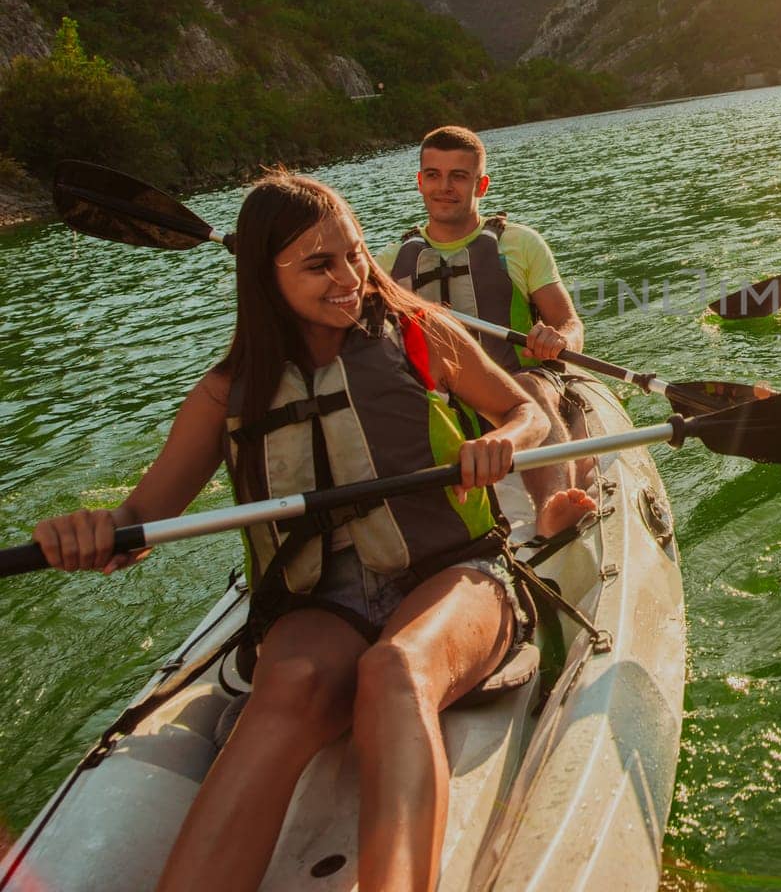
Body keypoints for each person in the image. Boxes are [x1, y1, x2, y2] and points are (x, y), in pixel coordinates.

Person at [30, 171, 594, 889]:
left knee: (395, 670)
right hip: (320, 601)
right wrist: (91, 534)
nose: (350, 278)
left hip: (453, 574)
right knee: (285, 686)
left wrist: (504, 440)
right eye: (318, 265)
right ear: (265, 279)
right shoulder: (225, 390)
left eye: (355, 254)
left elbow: (525, 409)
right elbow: (139, 521)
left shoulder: (420, 332)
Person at [378, 125, 593, 521]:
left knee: (527, 386)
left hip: (520, 386)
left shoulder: (520, 244)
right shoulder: (389, 263)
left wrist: (556, 338)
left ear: (482, 185)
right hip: (441, 403)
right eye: (433, 175)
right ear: (420, 182)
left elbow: (569, 323)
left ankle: (552, 506)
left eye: (458, 176)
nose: (444, 187)